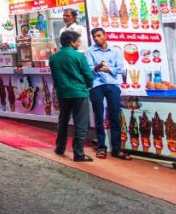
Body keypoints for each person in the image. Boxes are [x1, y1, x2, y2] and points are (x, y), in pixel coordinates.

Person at [49, 30, 94, 162]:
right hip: (79, 92)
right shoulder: (78, 56)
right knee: (81, 123)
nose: (79, 44)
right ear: (71, 42)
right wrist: (87, 85)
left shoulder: (54, 57)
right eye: (78, 41)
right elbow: (88, 75)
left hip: (63, 93)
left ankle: (60, 147)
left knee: (63, 120)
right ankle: (78, 153)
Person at [85, 27, 129, 159]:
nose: (96, 38)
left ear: (105, 36)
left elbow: (120, 68)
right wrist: (98, 68)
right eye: (94, 37)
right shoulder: (89, 51)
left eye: (99, 36)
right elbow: (89, 69)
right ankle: (101, 147)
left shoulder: (115, 51)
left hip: (112, 84)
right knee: (98, 116)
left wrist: (106, 69)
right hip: (96, 85)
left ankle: (116, 148)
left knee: (115, 115)